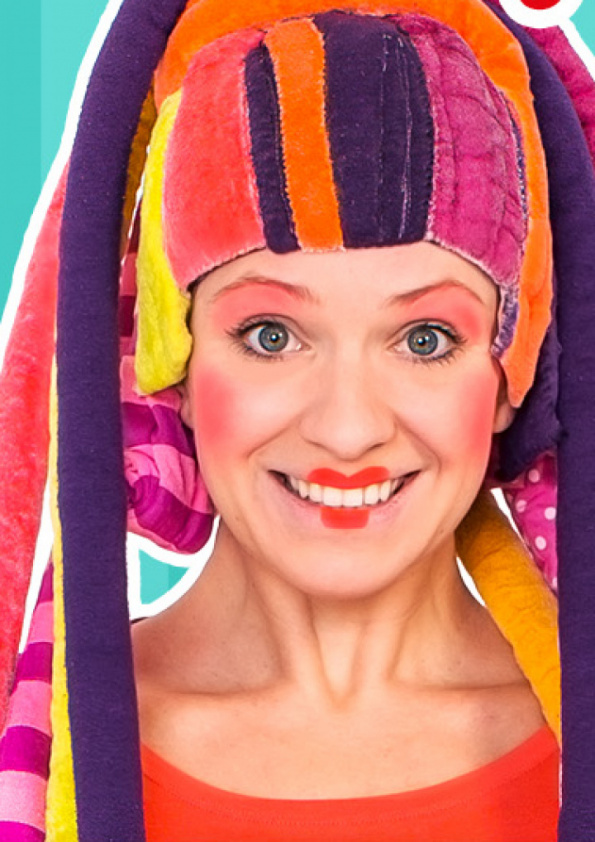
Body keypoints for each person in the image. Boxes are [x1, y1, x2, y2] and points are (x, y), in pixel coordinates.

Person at [1, 0, 595, 840]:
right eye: (270, 335)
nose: (347, 431)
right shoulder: (30, 751)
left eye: (424, 339)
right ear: (174, 361)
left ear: (512, 374)